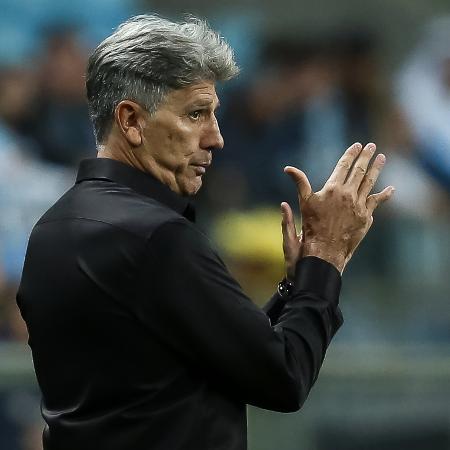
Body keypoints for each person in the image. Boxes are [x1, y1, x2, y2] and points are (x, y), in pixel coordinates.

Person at [16, 15, 394, 450]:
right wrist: (325, 259)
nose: (216, 138)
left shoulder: (52, 228)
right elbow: (282, 375)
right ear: (132, 120)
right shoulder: (156, 238)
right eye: (196, 113)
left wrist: (297, 285)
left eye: (214, 113)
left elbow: (218, 353)